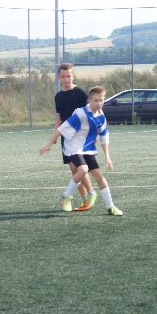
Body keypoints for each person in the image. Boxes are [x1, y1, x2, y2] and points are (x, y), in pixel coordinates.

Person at [40, 86, 123, 216]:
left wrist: (107, 157)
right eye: (96, 100)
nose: (99, 103)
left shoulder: (101, 116)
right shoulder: (81, 114)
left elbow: (104, 136)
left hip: (87, 148)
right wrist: (48, 144)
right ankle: (66, 197)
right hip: (72, 147)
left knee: (99, 177)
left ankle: (110, 206)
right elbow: (61, 129)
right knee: (83, 169)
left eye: (101, 100)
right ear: (89, 100)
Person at [54, 63, 96, 212]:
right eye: (63, 76)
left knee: (80, 168)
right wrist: (55, 136)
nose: (66, 79)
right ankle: (85, 200)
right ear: (59, 77)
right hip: (67, 138)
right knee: (74, 169)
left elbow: (92, 113)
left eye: (69, 76)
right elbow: (59, 118)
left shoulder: (81, 93)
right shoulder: (58, 96)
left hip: (80, 137)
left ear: (73, 76)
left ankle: (90, 194)